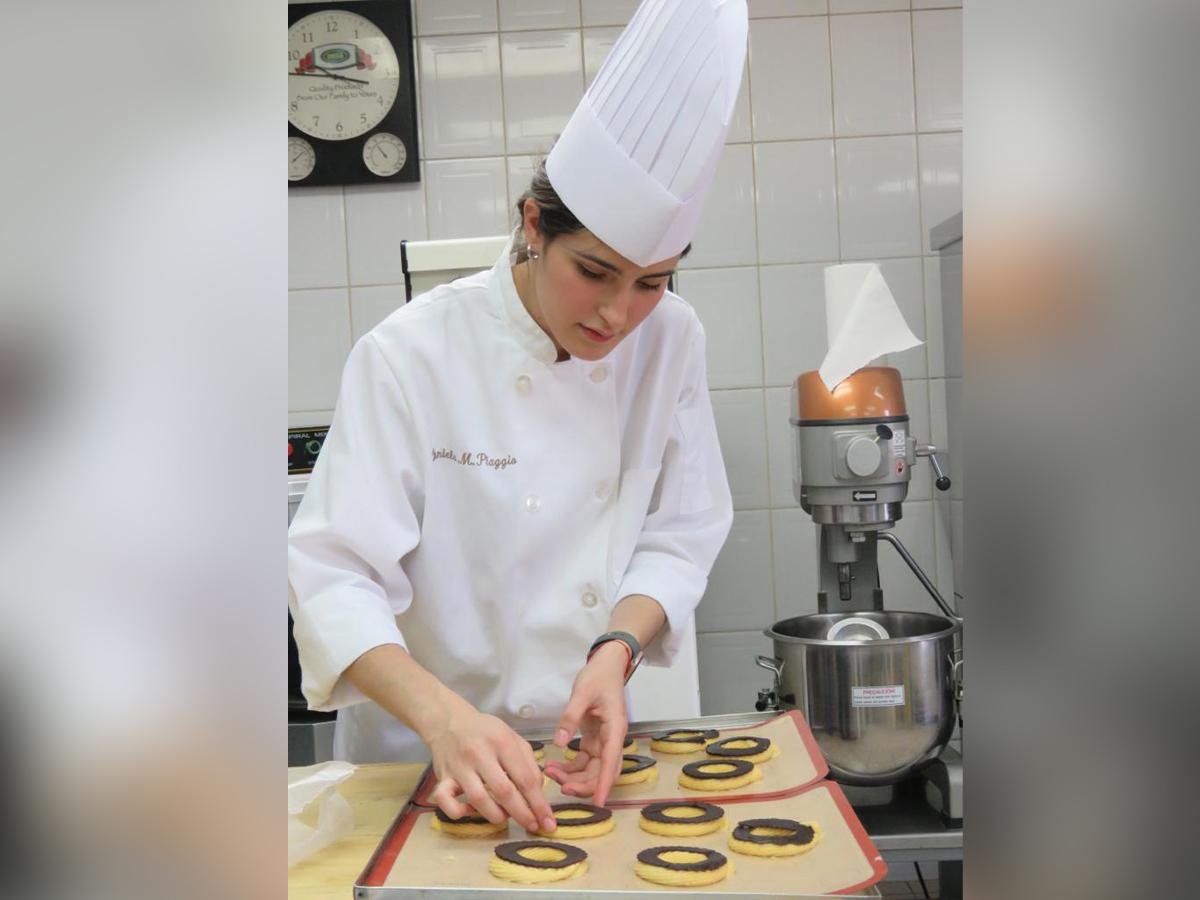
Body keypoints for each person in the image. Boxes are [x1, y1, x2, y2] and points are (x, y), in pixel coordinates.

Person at [288, 0, 748, 835]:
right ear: (534, 226)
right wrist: (444, 720)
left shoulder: (673, 339)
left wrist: (618, 650)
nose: (618, 315)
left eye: (652, 282)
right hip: (421, 760)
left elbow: (681, 533)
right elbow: (333, 575)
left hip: (590, 760)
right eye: (595, 272)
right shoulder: (410, 353)